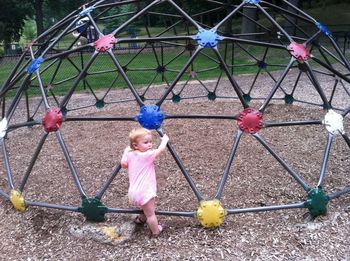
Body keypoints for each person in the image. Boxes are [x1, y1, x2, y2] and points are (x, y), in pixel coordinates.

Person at [121, 127, 169, 238]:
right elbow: (160, 150)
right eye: (146, 142)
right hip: (145, 191)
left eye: (150, 142)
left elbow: (123, 164)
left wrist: (126, 150)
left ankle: (140, 219)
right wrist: (165, 140)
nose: (150, 145)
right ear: (136, 145)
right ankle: (156, 231)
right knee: (151, 214)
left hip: (133, 192)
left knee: (145, 207)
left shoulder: (130, 154)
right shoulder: (146, 155)